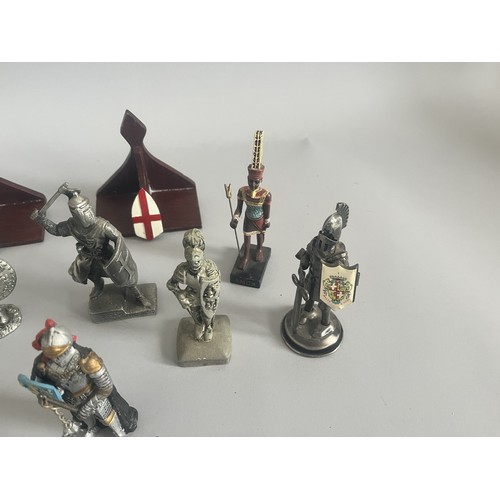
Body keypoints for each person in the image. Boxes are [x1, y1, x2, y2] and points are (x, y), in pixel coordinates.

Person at [32, 186, 148, 306]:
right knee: (83, 272)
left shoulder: (103, 225)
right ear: (76, 214)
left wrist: (117, 255)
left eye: (88, 208)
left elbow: (118, 237)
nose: (89, 213)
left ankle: (138, 295)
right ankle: (98, 284)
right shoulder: (71, 226)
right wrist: (41, 220)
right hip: (87, 256)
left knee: (125, 277)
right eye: (83, 210)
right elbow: (56, 230)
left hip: (105, 256)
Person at [30, 318, 138, 437]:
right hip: (71, 398)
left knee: (106, 415)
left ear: (68, 347)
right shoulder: (43, 364)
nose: (55, 359)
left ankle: (120, 431)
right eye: (50, 355)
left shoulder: (87, 358)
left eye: (59, 354)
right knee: (83, 418)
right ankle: (93, 426)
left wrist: (89, 405)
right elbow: (40, 385)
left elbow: (106, 387)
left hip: (94, 393)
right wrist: (45, 396)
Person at [297, 203, 350, 333]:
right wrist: (305, 259)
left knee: (325, 306)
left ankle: (325, 324)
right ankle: (307, 311)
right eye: (325, 232)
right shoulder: (315, 242)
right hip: (312, 277)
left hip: (326, 284)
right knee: (309, 297)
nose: (325, 236)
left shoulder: (339, 253)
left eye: (329, 235)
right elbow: (308, 255)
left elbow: (343, 273)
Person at [167, 229, 220, 341]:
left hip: (207, 296)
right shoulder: (182, 270)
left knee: (208, 314)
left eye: (197, 261)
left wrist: (211, 292)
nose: (194, 264)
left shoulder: (209, 267)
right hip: (192, 295)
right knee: (195, 313)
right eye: (190, 261)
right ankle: (199, 324)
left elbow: (216, 283)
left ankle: (208, 327)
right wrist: (180, 295)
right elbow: (171, 284)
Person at [230, 164, 272, 270]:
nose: (253, 184)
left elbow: (267, 209)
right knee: (247, 238)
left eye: (256, 182)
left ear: (261, 180)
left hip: (260, 219)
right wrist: (235, 219)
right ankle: (246, 257)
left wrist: (267, 221)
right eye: (250, 181)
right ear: (247, 179)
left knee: (260, 236)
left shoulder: (266, 195)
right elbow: (239, 208)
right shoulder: (242, 191)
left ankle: (259, 250)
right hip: (248, 219)